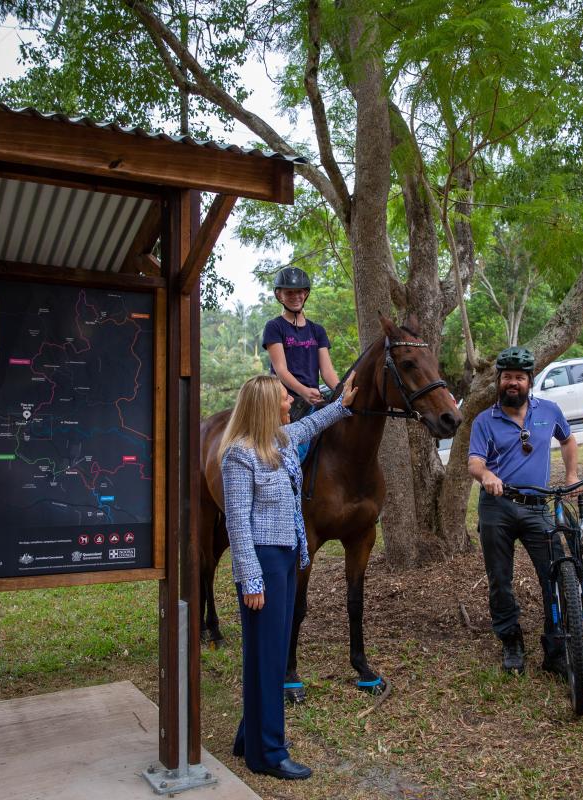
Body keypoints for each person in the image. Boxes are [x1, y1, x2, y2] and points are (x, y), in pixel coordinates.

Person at [219, 372, 357, 779]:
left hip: (284, 557)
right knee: (269, 656)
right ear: (264, 406)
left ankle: (250, 737)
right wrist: (252, 579)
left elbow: (310, 424)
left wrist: (341, 404)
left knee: (270, 654)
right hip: (262, 561)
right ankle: (270, 754)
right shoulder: (239, 455)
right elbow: (238, 524)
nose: (288, 404)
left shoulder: (278, 442)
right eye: (283, 399)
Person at [468, 346, 580, 677]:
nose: (513, 383)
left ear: (530, 381)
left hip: (536, 507)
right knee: (500, 581)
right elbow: (474, 461)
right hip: (497, 509)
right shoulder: (484, 420)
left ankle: (556, 646)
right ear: (499, 382)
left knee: (555, 575)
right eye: (507, 377)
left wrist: (572, 475)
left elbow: (569, 441)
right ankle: (511, 641)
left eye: (519, 377)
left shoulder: (549, 410)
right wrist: (486, 475)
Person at [262, 267, 339, 409]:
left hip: (312, 396)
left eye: (299, 291)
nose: (295, 296)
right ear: (280, 296)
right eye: (289, 292)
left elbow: (327, 372)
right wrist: (303, 391)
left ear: (306, 293)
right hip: (283, 399)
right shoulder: (274, 326)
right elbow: (281, 370)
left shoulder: (318, 330)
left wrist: (343, 392)